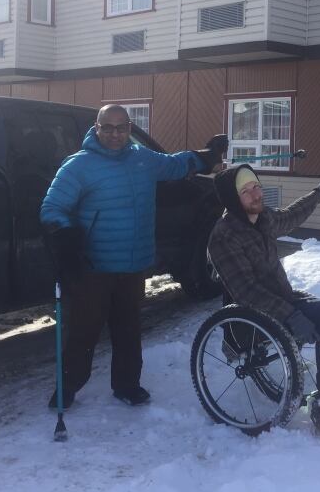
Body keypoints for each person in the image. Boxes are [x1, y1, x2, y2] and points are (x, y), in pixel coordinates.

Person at [41, 104, 228, 408]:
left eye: (121, 127)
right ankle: (68, 386)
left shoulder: (142, 158)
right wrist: (64, 235)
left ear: (129, 128)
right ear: (97, 128)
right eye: (108, 128)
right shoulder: (78, 166)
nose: (115, 134)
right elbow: (52, 207)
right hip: (94, 266)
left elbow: (173, 164)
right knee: (84, 332)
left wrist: (205, 156)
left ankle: (127, 385)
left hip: (134, 264)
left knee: (128, 329)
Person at [208, 164, 320, 416]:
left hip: (281, 300)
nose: (256, 195)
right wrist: (291, 314)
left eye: (256, 186)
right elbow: (246, 291)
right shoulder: (224, 236)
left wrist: (319, 192)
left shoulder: (262, 218)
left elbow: (292, 215)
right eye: (246, 191)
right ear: (233, 199)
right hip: (253, 317)